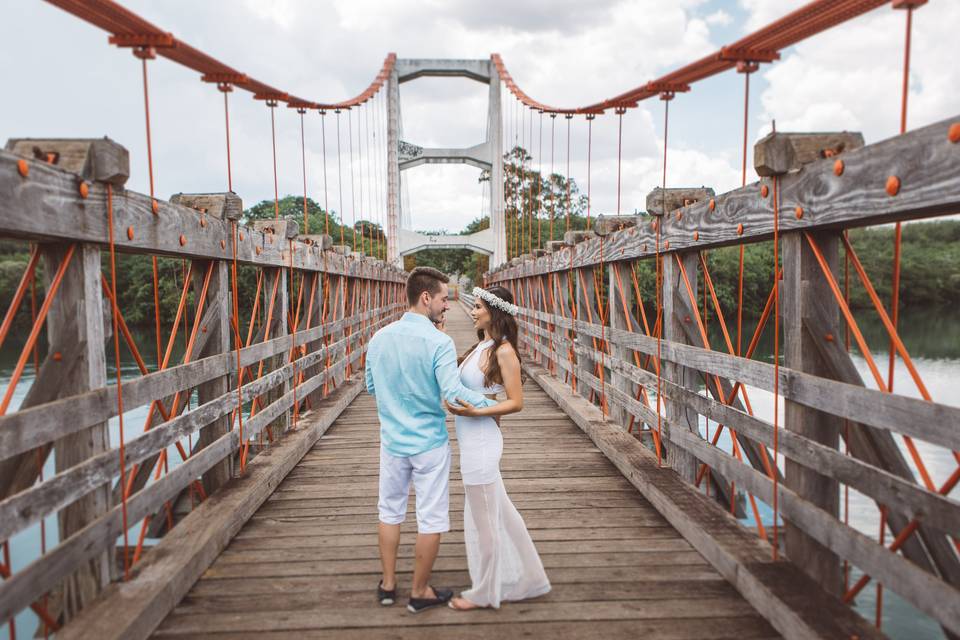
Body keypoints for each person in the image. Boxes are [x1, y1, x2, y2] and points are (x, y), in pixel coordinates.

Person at [364, 267, 497, 614]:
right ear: (426, 298)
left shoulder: (379, 338)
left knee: (389, 511)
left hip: (392, 442)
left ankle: (389, 585)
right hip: (429, 444)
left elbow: (372, 387)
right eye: (443, 298)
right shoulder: (439, 342)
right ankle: (419, 591)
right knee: (431, 517)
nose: (447, 306)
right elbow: (452, 393)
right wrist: (495, 404)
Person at [445, 285, 551, 611]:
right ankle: (532, 577)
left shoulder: (504, 351)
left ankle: (485, 592)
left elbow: (516, 402)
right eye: (473, 306)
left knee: (484, 521)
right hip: (470, 438)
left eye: (477, 307)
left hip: (482, 442)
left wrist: (478, 411)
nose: (473, 311)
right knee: (503, 512)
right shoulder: (482, 346)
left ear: (495, 311)